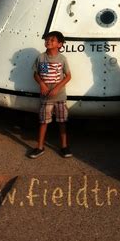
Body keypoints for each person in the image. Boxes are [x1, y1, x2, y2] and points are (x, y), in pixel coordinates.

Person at [28, 31, 72, 159]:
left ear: (59, 44)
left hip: (59, 97)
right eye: (47, 39)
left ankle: (64, 146)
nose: (48, 41)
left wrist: (58, 88)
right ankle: (40, 147)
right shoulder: (41, 58)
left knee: (62, 121)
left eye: (52, 40)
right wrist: (42, 84)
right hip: (46, 97)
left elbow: (68, 76)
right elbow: (36, 74)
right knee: (43, 122)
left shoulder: (62, 58)